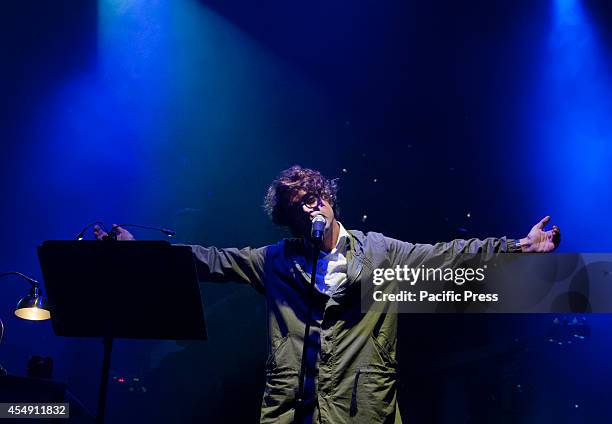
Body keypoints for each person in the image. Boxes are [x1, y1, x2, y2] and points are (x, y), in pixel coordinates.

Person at [94, 165, 561, 424]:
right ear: (290, 218)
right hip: (291, 414)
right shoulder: (275, 260)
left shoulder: (380, 252)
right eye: (297, 204)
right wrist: (142, 254)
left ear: (329, 199)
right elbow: (211, 260)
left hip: (362, 413)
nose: (309, 204)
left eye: (314, 195)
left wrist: (518, 246)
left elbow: (448, 256)